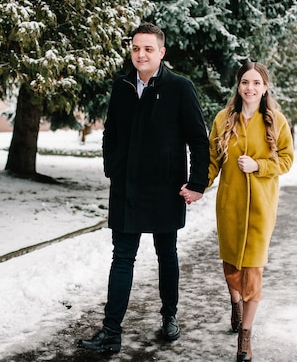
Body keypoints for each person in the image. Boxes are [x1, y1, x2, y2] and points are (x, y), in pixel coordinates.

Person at [77, 22, 209, 353]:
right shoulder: (122, 87)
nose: (141, 54)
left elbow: (198, 140)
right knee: (122, 257)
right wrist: (113, 169)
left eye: (148, 48)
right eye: (136, 48)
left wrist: (196, 184)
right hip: (127, 189)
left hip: (167, 190)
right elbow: (110, 132)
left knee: (167, 254)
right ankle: (110, 332)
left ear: (161, 52)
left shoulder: (180, 87)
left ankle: (169, 316)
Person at [193, 61, 293, 361]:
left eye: (256, 83)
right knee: (231, 268)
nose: (250, 88)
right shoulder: (224, 118)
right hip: (230, 206)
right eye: (245, 82)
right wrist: (199, 184)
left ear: (265, 88)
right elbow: (212, 159)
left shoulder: (276, 121)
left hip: (262, 209)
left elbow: (286, 160)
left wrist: (258, 165)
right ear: (238, 86)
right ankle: (235, 302)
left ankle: (245, 338)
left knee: (253, 272)